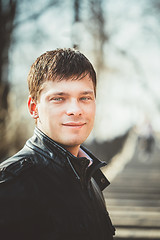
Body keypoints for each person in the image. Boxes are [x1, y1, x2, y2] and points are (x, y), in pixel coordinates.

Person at [0, 48, 115, 240]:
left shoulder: (90, 177)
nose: (75, 109)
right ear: (33, 108)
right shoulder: (10, 184)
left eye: (84, 98)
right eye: (59, 99)